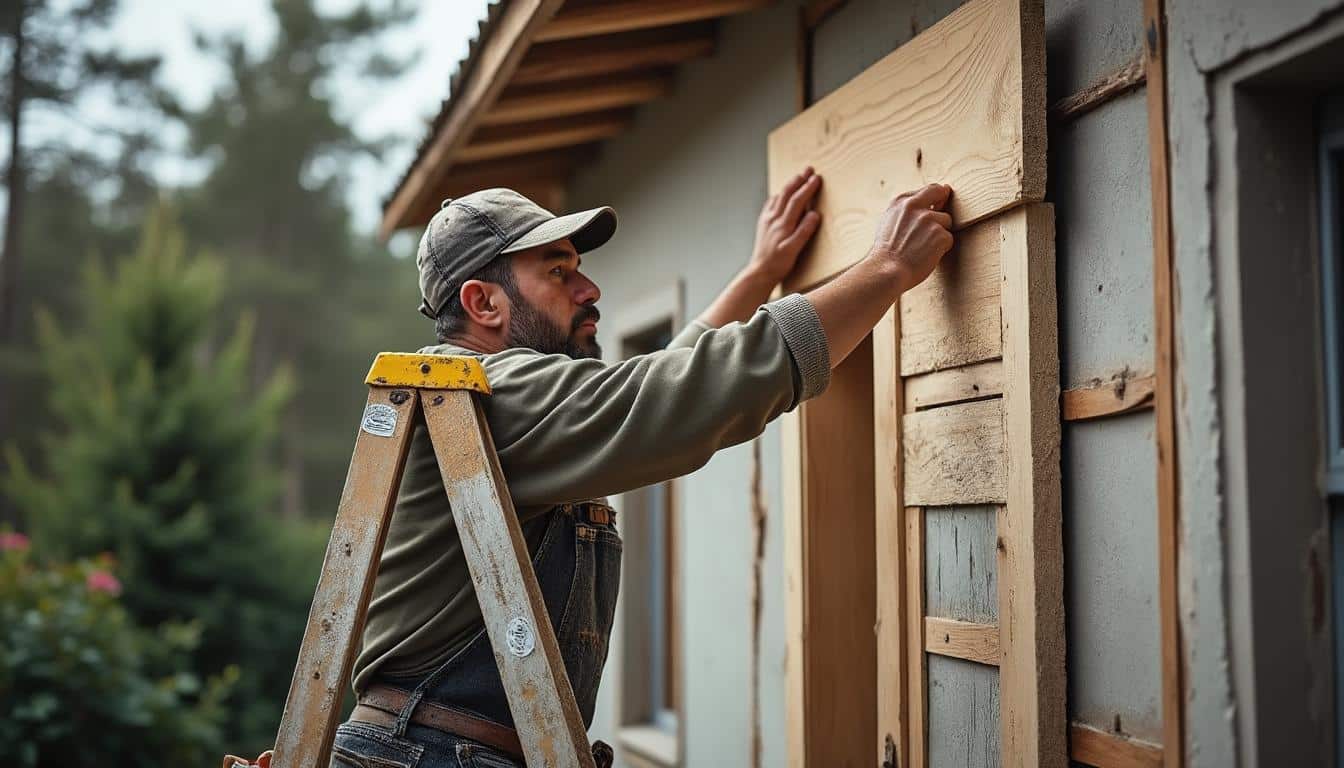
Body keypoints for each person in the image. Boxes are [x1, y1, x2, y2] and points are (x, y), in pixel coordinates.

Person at [224, 169, 953, 768]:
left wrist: (761, 274)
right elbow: (678, 396)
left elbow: (659, 382)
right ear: (482, 303)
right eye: (558, 271)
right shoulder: (475, 393)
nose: (589, 289)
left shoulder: (507, 402)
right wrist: (888, 269)